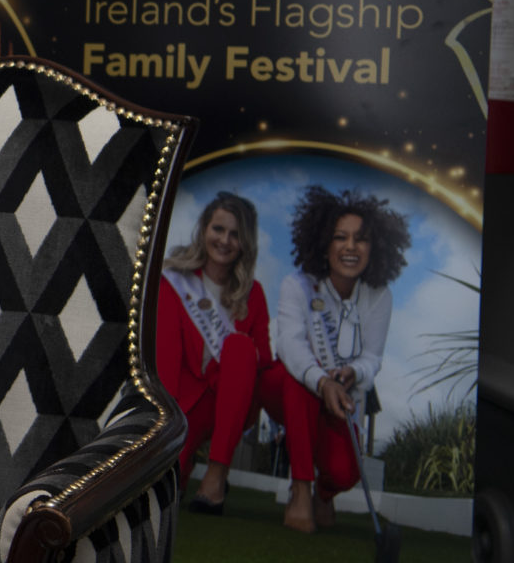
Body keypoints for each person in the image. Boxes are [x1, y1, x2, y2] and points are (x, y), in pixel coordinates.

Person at [269, 185, 411, 533]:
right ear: (324, 243)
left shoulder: (380, 296)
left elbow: (372, 358)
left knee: (347, 473)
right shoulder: (296, 284)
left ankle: (323, 495)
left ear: (374, 247)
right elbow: (290, 344)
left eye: (360, 239)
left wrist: (352, 372)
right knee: (297, 375)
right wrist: (321, 379)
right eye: (340, 237)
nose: (350, 247)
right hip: (289, 392)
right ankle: (300, 491)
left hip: (340, 400)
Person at [154, 194, 280, 516]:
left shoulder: (253, 294)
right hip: (185, 401)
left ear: (245, 242)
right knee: (166, 485)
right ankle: (183, 462)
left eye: (235, 234)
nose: (224, 240)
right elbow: (166, 358)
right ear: (204, 229)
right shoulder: (175, 280)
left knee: (239, 347)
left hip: (232, 401)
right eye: (218, 229)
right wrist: (166, 423)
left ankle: (216, 473)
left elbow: (262, 360)